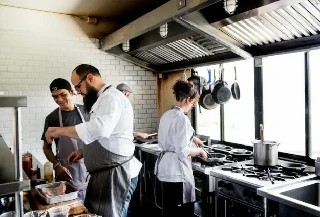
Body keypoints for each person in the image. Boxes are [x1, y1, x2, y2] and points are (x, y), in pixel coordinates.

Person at [45, 64, 141, 217]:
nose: (77, 91)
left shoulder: (111, 97)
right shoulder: (101, 99)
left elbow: (99, 129)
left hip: (115, 173)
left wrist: (58, 130)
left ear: (90, 78)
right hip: (103, 174)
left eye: (78, 86)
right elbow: (106, 137)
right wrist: (84, 151)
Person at [154, 80, 207, 217]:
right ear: (188, 99)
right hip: (176, 173)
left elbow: (171, 137)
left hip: (165, 170)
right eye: (193, 103)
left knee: (169, 211)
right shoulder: (182, 119)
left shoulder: (167, 115)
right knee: (182, 213)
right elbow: (183, 151)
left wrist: (192, 138)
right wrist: (200, 151)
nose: (193, 106)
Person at [41, 78, 89, 203]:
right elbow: (46, 148)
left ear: (72, 92)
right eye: (55, 97)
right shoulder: (52, 118)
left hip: (90, 169)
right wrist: (57, 166)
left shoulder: (87, 111)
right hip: (67, 172)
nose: (59, 100)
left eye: (63, 94)